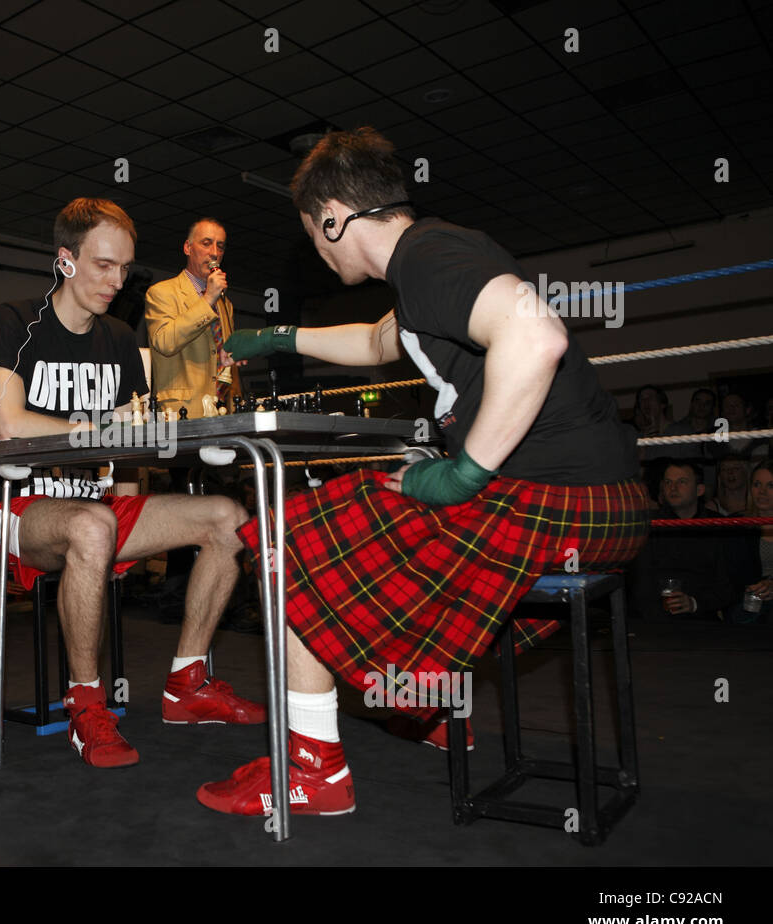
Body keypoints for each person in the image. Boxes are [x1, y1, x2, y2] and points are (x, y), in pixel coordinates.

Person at [209, 127, 650, 817]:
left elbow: (536, 335)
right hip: (600, 499)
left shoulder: (429, 258)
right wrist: (276, 337)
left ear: (332, 216)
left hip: (554, 499)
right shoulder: (427, 260)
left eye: (313, 232)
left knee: (285, 538)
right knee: (372, 525)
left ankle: (313, 772)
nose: (318, 251)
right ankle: (427, 703)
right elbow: (379, 340)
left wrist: (466, 472)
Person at [0, 197, 262, 769]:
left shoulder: (118, 339)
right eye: (102, 266)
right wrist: (97, 429)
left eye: (124, 269)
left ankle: (187, 682)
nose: (116, 281)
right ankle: (86, 705)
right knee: (93, 524)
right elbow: (8, 421)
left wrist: (129, 529)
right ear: (65, 260)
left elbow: (130, 448)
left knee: (228, 517)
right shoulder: (14, 321)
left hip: (103, 511)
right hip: (22, 511)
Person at [144, 218, 240, 418]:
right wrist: (207, 300)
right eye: (206, 243)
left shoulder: (225, 304)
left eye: (220, 246)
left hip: (222, 410)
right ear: (188, 248)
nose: (214, 252)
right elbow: (165, 342)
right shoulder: (162, 292)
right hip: (180, 413)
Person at [629, 461, 745, 621]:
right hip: (655, 621)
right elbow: (641, 584)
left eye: (681, 482)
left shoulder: (717, 525)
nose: (673, 488)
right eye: (668, 482)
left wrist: (694, 603)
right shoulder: (651, 524)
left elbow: (729, 585)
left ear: (699, 490)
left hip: (702, 619)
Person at [730, 460, 773, 625]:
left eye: (770, 485)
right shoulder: (736, 525)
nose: (762, 492)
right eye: (757, 484)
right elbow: (729, 574)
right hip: (747, 601)